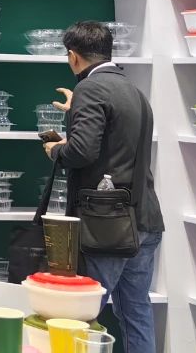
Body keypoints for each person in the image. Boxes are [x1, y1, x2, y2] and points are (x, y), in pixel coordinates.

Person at [43, 21, 163, 353]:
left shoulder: (90, 89)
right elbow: (115, 141)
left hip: (107, 226)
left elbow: (82, 152)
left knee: (82, 317)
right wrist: (76, 113)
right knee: (136, 313)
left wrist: (56, 150)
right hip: (145, 219)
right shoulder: (133, 90)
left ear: (73, 56)